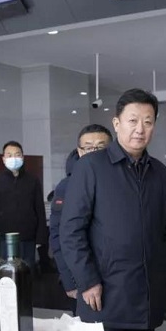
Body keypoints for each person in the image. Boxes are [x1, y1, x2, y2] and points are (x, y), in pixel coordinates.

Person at [60, 89, 166, 331]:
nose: (140, 129)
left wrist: (162, 270)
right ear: (116, 123)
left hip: (145, 294)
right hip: (102, 294)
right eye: (132, 120)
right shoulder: (91, 167)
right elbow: (72, 230)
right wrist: (87, 281)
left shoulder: (159, 172)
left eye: (148, 122)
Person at [48, 124, 113, 304]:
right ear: (79, 151)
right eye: (88, 148)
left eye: (100, 147)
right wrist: (70, 280)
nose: (94, 153)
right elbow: (58, 235)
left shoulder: (122, 182)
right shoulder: (67, 186)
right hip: (83, 278)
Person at [0, 141, 48, 271]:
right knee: (6, 274)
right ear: (3, 159)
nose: (14, 158)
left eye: (17, 155)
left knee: (28, 272)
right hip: (3, 240)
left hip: (28, 238)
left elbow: (40, 210)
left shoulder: (33, 180)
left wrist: (41, 238)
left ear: (22, 157)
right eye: (9, 155)